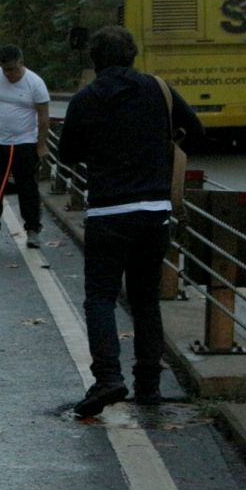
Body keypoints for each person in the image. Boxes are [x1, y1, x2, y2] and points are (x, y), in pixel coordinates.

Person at [57, 25, 205, 416]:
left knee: (101, 297)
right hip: (155, 211)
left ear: (95, 61)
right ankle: (149, 387)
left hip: (108, 211)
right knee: (145, 300)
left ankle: (108, 378)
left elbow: (67, 153)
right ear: (133, 55)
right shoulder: (159, 91)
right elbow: (196, 131)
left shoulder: (86, 99)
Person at [0, 45, 50, 250]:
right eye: (5, 70)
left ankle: (33, 230)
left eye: (13, 70)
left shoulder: (35, 83)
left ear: (21, 63)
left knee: (28, 188)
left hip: (25, 143)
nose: (9, 75)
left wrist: (41, 144)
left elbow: (43, 117)